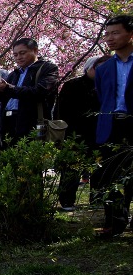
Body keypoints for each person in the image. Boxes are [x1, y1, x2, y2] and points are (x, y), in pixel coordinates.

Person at [92, 15, 133, 236]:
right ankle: (114, 223)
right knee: (111, 175)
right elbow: (102, 97)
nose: (109, 38)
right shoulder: (104, 69)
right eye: (107, 34)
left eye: (115, 33)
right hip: (112, 124)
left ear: (130, 33)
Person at [57, 55, 106, 211]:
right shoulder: (72, 85)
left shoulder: (108, 86)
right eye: (98, 68)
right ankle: (66, 201)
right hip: (75, 133)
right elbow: (61, 111)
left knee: (99, 168)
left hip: (100, 133)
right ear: (89, 68)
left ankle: (97, 199)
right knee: (72, 167)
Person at [0, 38, 59, 144]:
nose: (18, 58)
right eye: (15, 55)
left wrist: (8, 88)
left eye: (22, 53)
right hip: (8, 122)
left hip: (32, 123)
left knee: (30, 156)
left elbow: (40, 92)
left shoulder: (48, 68)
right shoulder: (14, 74)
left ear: (35, 51)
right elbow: (1, 98)